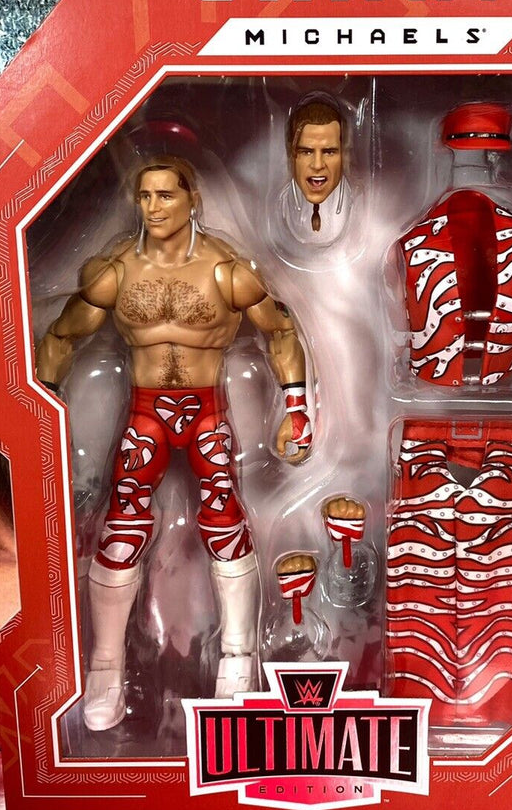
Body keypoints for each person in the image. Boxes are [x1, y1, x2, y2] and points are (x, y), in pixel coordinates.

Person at [36, 156, 312, 730]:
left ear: (192, 199)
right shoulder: (115, 272)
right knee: (122, 527)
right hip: (146, 416)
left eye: (166, 195)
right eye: (145, 196)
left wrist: (297, 411)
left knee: (224, 516)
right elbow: (60, 337)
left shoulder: (224, 271)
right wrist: (38, 410)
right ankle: (105, 667)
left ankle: (238, 656)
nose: (154, 207)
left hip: (207, 412)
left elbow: (282, 331)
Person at [278, 97, 351, 244]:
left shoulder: (368, 217)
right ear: (291, 154)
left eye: (329, 152)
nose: (317, 165)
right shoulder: (278, 210)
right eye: (306, 152)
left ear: (344, 154)